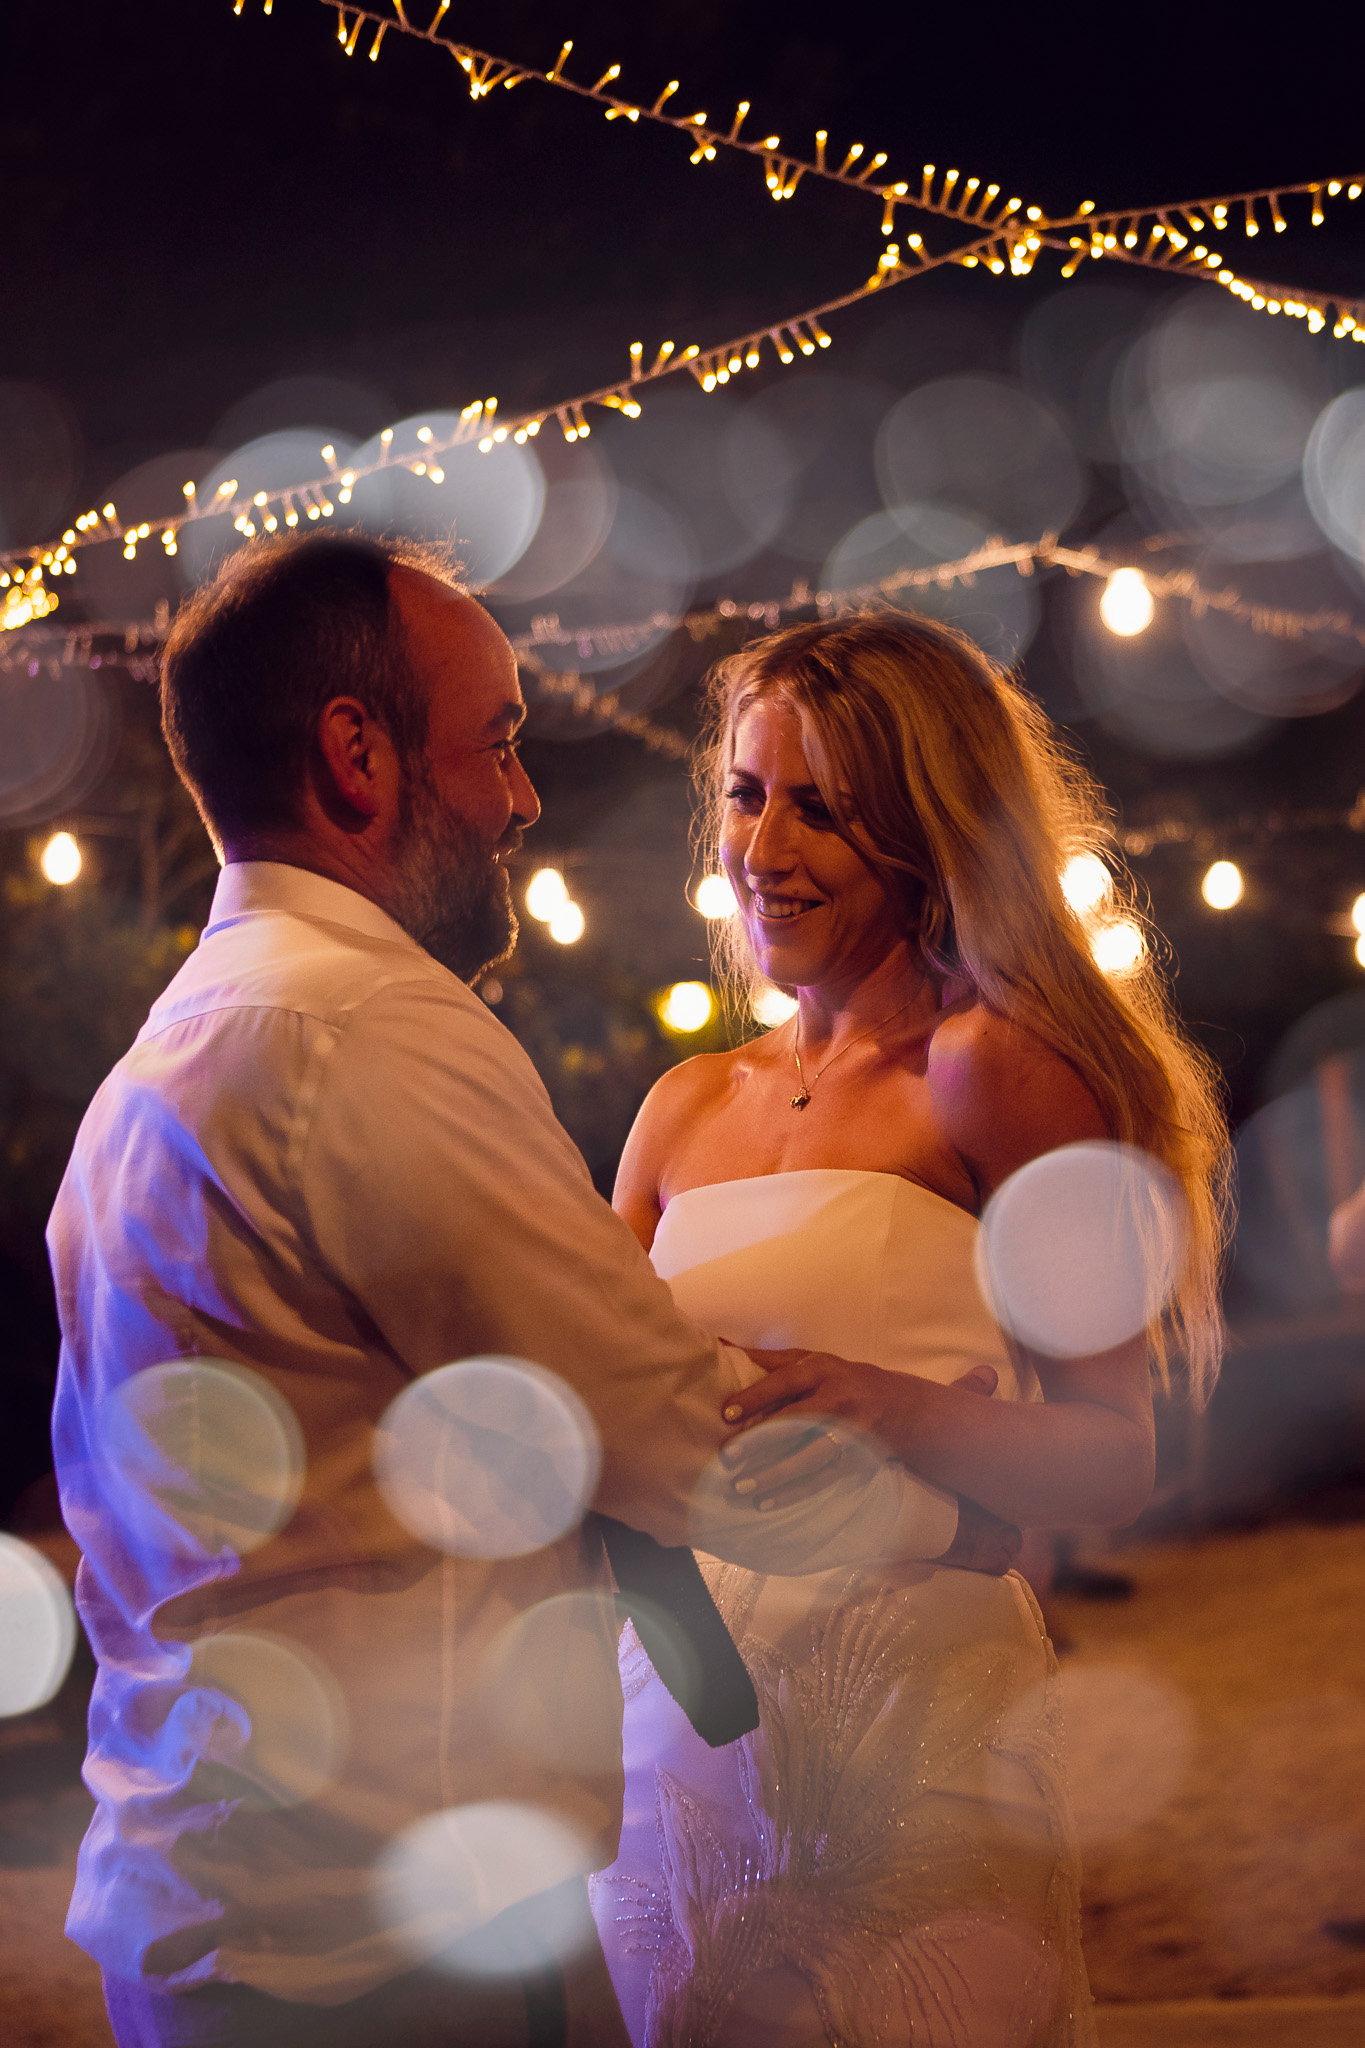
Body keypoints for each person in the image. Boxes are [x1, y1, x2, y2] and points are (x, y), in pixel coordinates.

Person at [47, 537, 1017, 2048]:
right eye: (494, 744)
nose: (522, 799)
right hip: (374, 1939)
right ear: (356, 756)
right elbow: (661, 1429)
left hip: (200, 1899)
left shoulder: (153, 1072)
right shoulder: (371, 1031)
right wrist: (965, 1514)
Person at [590, 612, 1230, 2048]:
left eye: (823, 807)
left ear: (926, 828)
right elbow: (593, 1404)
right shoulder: (682, 1108)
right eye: (749, 794)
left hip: (914, 1704)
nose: (766, 846)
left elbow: (1111, 1459)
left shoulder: (993, 1073)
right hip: (681, 1717)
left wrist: (886, 1404)